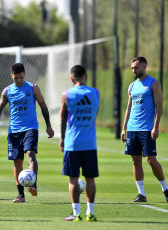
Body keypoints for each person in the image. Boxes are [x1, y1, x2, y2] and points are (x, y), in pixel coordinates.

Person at [0, 63, 54, 203]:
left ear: (24, 74)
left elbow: (43, 106)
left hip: (30, 128)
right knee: (17, 162)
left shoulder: (33, 88)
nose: (19, 80)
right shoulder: (7, 91)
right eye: (16, 78)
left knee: (30, 154)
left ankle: (32, 183)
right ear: (11, 75)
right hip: (14, 131)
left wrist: (49, 126)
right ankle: (21, 195)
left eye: (21, 77)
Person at [121, 56, 168, 203]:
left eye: (136, 67)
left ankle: (165, 189)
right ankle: (141, 194)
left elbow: (159, 107)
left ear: (144, 67)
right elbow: (128, 108)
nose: (134, 70)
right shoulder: (132, 86)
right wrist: (124, 128)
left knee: (151, 160)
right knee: (135, 161)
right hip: (132, 129)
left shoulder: (153, 83)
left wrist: (156, 127)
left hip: (146, 129)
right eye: (132, 68)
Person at [59, 65, 99, 222]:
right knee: (90, 179)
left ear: (71, 78)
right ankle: (91, 213)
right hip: (90, 143)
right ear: (86, 77)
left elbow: (63, 119)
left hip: (73, 143)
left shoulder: (67, 94)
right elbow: (94, 115)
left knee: (73, 179)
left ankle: (76, 214)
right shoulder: (96, 93)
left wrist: (62, 139)